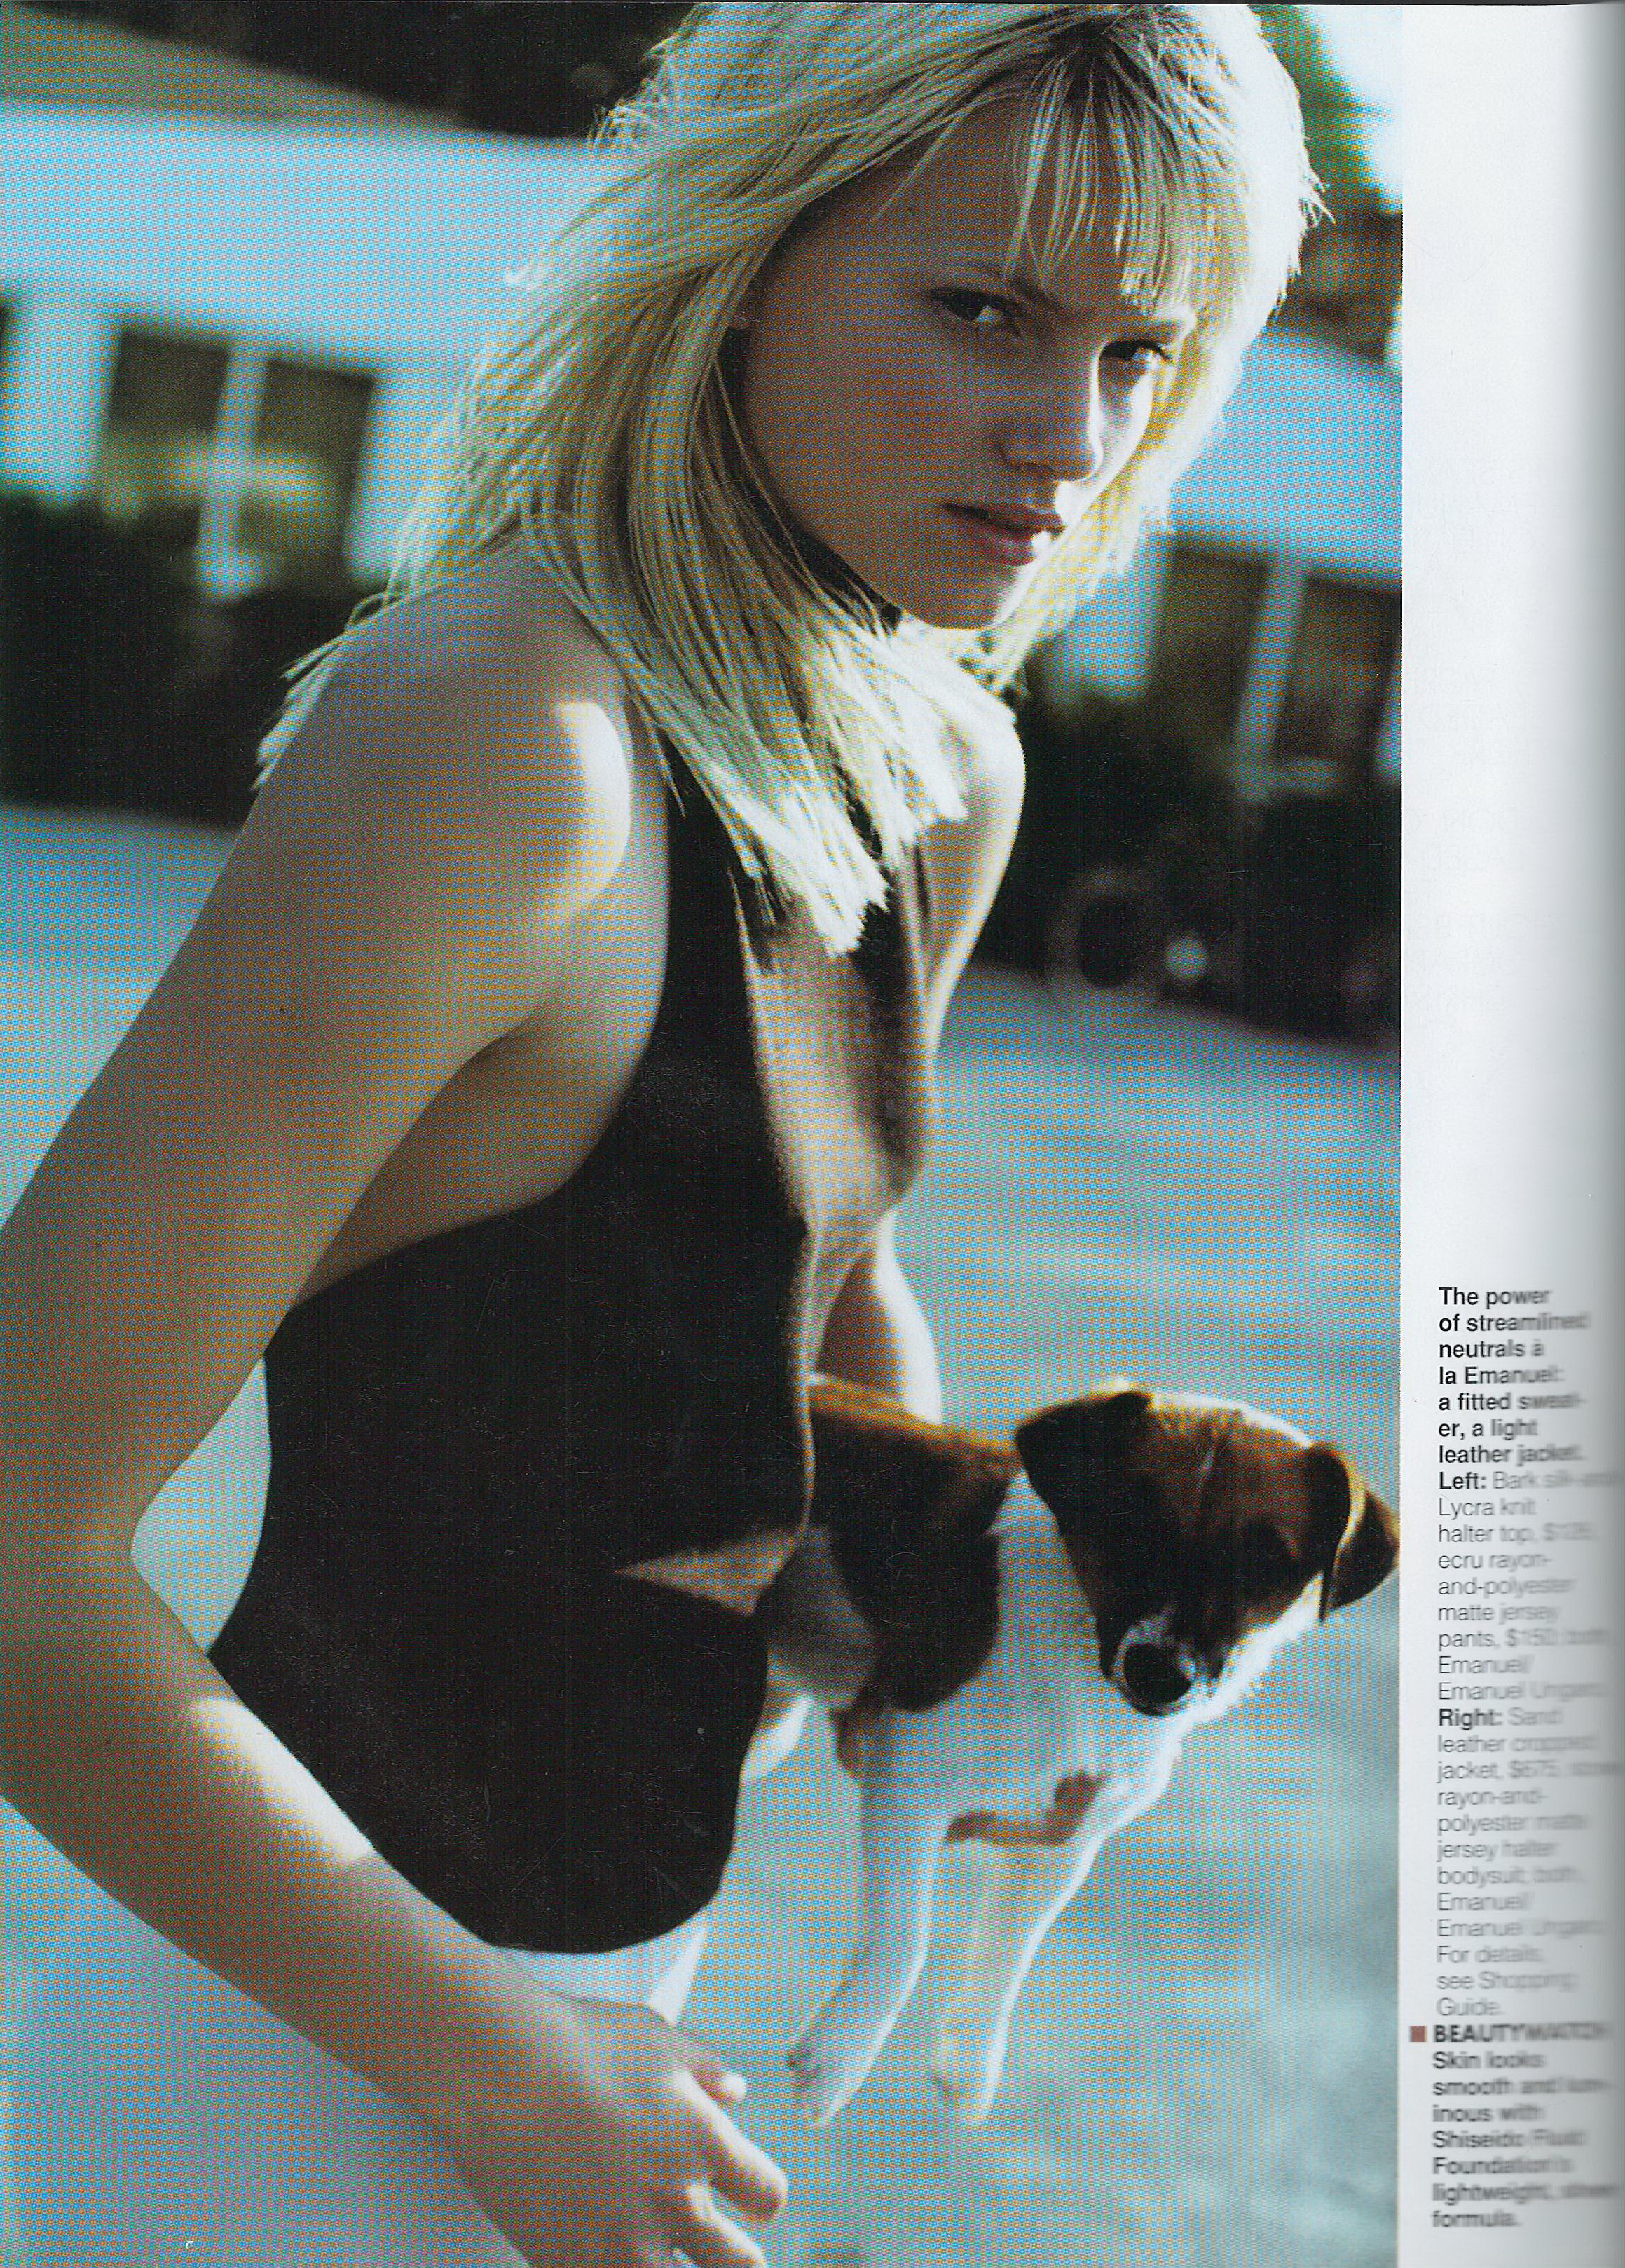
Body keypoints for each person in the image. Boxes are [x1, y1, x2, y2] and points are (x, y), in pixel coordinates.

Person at [0, 5, 1317, 2262]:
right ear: (741, 254)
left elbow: (804, 1264)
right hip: (283, 2070)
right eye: (983, 309)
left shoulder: (937, 771)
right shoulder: (503, 745)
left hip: (613, 2031)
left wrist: (953, 1644)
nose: (1070, 433)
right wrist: (487, 2058)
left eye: (1137, 353)